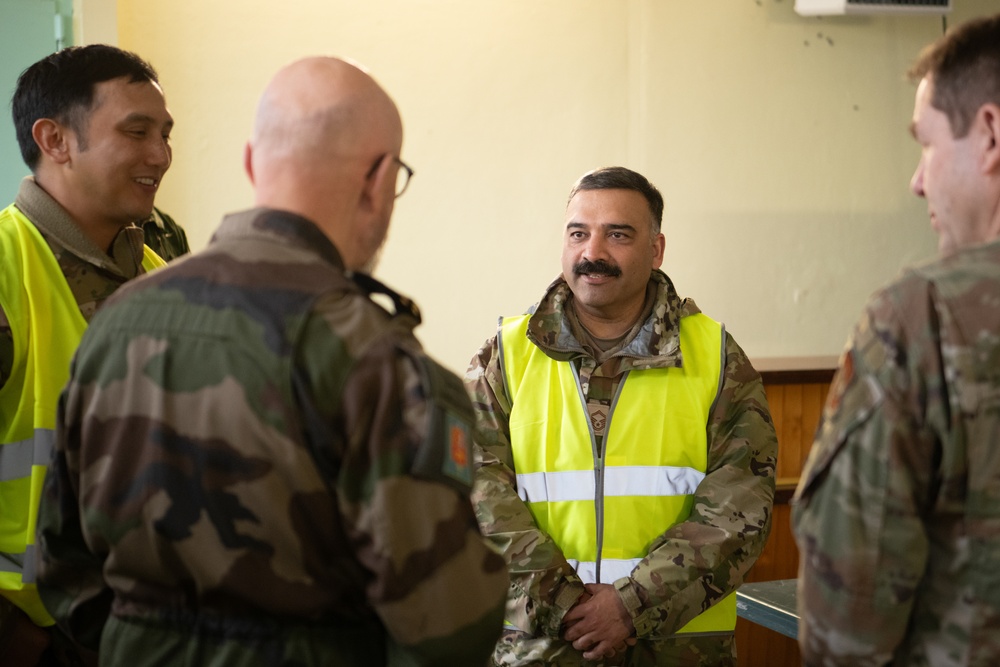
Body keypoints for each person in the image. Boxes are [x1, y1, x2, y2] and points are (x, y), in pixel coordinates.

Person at [34, 56, 508, 666]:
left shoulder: (117, 320)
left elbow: (63, 565)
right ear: (379, 180)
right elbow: (448, 625)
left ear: (253, 163)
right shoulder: (374, 356)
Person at [466, 166, 778, 666]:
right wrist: (566, 604)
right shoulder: (506, 355)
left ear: (655, 250)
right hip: (540, 647)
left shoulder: (715, 356)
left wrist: (631, 605)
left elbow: (741, 507)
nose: (593, 253)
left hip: (678, 649)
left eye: (617, 234)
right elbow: (472, 491)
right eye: (578, 233)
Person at [791, 13, 1000, 666]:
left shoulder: (922, 317)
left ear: (990, 133)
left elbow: (846, 626)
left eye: (927, 143)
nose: (917, 180)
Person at [0, 44, 172, 665]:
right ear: (55, 140)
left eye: (164, 133)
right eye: (136, 131)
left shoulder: (166, 278)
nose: (161, 155)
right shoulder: (4, 268)